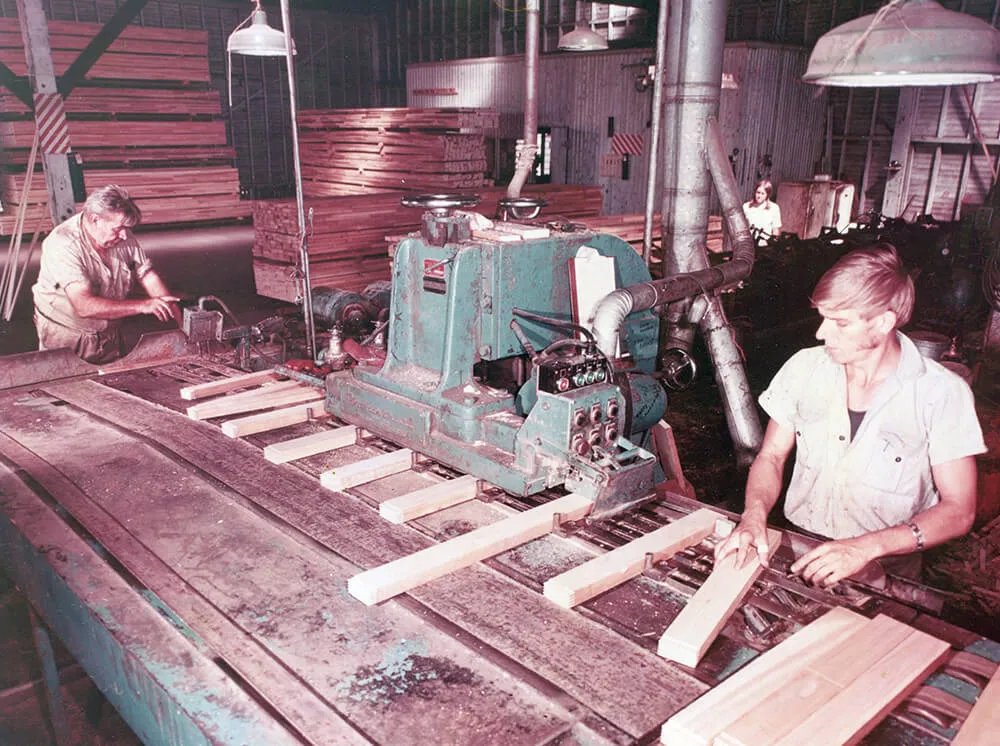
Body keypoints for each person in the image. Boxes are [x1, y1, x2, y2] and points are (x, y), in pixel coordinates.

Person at [715, 245, 986, 586]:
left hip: (888, 566)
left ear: (884, 322)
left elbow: (959, 509)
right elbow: (770, 456)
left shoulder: (941, 394)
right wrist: (753, 516)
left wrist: (864, 548)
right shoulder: (805, 368)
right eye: (823, 318)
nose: (821, 333)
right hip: (804, 549)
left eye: (840, 322)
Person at [32, 184, 180, 364]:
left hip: (107, 336)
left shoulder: (121, 235)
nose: (125, 235)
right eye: (118, 228)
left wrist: (183, 329)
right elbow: (83, 306)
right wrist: (143, 306)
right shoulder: (63, 244)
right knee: (67, 385)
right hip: (67, 339)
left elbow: (148, 276)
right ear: (95, 220)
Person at [743, 179, 782, 244]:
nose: (759, 196)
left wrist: (774, 244)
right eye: (758, 192)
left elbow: (776, 230)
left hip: (764, 246)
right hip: (748, 245)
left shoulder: (774, 208)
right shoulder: (746, 207)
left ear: (767, 195)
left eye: (762, 194)